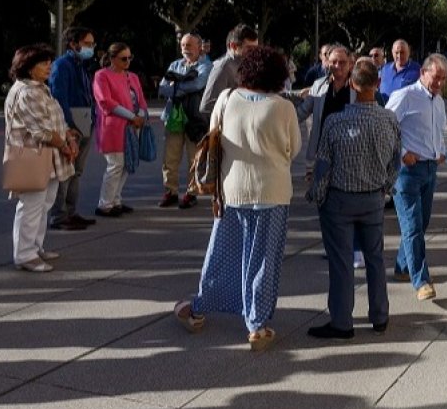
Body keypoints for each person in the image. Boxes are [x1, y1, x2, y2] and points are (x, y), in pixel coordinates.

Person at [173, 45, 301, 351]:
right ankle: (256, 323)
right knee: (262, 260)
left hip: (232, 190)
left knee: (222, 255)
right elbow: (292, 149)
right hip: (273, 191)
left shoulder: (227, 99)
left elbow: (214, 137)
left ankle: (201, 307)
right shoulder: (283, 107)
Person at [306, 60, 401, 339]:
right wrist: (386, 188)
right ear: (378, 84)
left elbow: (323, 167)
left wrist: (316, 195)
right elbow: (396, 161)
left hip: (339, 200)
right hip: (373, 199)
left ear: (352, 84)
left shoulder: (335, 122)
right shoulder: (389, 120)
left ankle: (342, 321)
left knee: (341, 262)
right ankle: (380, 315)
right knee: (375, 259)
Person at [5, 44, 77, 272]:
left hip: (49, 156)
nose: (49, 67)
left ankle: (35, 247)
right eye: (43, 63)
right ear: (28, 66)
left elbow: (56, 120)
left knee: (43, 204)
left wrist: (68, 136)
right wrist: (65, 144)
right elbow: (40, 130)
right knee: (32, 206)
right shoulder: (27, 92)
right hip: (32, 156)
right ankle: (25, 254)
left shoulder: (39, 89)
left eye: (49, 62)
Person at [386, 54, 447, 301]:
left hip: (429, 169)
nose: (440, 83)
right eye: (436, 78)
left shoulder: (438, 101)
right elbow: (385, 126)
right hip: (407, 173)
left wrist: (440, 151)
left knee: (420, 224)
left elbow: (438, 130)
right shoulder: (406, 95)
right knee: (413, 225)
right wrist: (402, 153)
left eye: (443, 79)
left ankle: (403, 267)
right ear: (423, 73)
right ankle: (421, 280)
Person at [48, 27, 97, 231]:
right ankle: (59, 215)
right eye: (87, 43)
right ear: (73, 44)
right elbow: (60, 98)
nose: (91, 48)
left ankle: (71, 211)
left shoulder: (81, 65)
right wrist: (69, 127)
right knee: (66, 171)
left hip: (84, 118)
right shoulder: (62, 65)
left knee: (76, 171)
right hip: (73, 121)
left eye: (92, 44)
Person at [92, 42, 148, 218]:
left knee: (126, 164)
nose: (127, 62)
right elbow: (105, 102)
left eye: (129, 58)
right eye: (123, 58)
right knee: (115, 165)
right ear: (112, 59)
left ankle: (115, 200)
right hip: (114, 127)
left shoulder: (132, 77)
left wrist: (140, 115)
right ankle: (105, 204)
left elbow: (141, 100)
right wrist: (133, 117)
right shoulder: (102, 75)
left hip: (132, 126)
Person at [157, 33, 212, 209]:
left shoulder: (206, 66)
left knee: (193, 157)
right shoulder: (175, 65)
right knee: (170, 157)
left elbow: (198, 84)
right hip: (173, 116)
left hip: (194, 118)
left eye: (189, 45)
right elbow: (162, 88)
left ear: (199, 47)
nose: (185, 49)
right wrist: (178, 89)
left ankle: (191, 193)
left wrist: (175, 88)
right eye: (183, 45)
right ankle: (170, 191)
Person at [298, 45, 355, 177]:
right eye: (333, 62)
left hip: (349, 154)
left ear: (350, 64)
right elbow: (302, 111)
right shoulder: (319, 85)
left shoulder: (357, 88)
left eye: (342, 62)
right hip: (321, 153)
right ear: (327, 63)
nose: (337, 65)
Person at [199, 24, 260, 120]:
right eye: (249, 49)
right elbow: (207, 107)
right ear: (233, 46)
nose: (254, 53)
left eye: (256, 49)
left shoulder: (246, 63)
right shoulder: (223, 67)